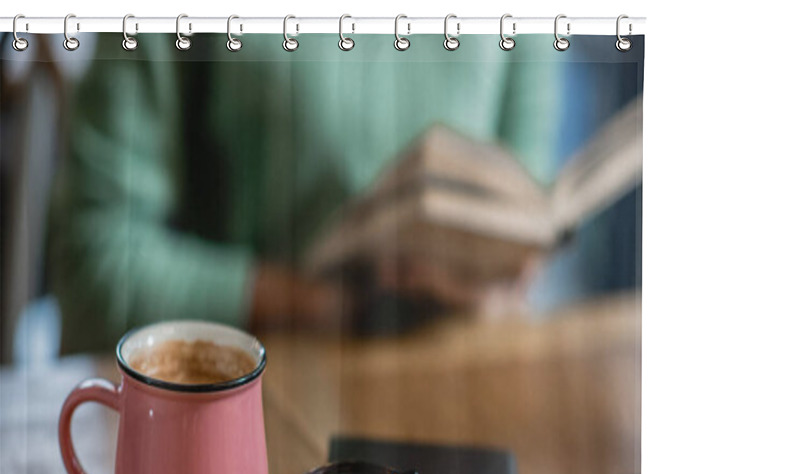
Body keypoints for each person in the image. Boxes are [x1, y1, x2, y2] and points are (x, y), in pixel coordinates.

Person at [48, 33, 634, 353]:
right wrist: (326, 306)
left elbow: (525, 202)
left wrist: (501, 281)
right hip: (254, 405)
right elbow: (95, 265)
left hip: (451, 397)